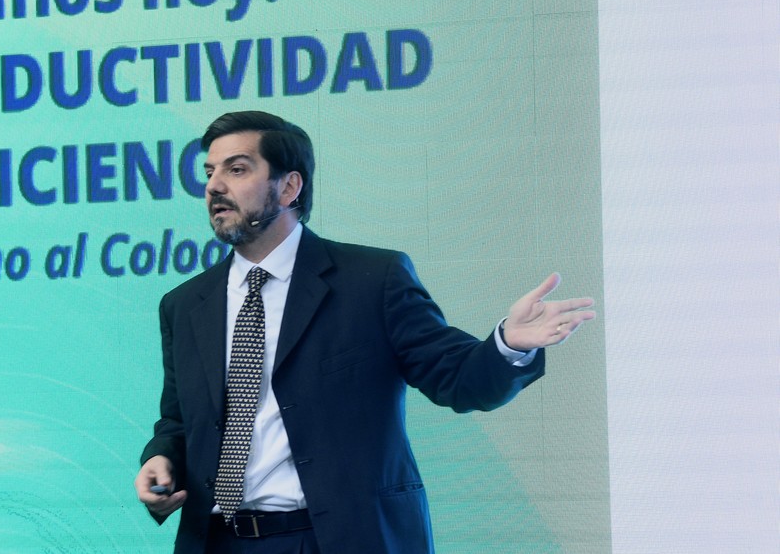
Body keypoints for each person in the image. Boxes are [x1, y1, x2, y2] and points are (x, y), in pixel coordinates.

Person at [133, 111, 595, 553]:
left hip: (337, 538)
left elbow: (456, 379)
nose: (214, 185)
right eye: (209, 171)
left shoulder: (372, 280)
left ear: (289, 186)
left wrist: (508, 345)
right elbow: (179, 421)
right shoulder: (184, 305)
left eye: (236, 169)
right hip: (218, 541)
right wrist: (161, 458)